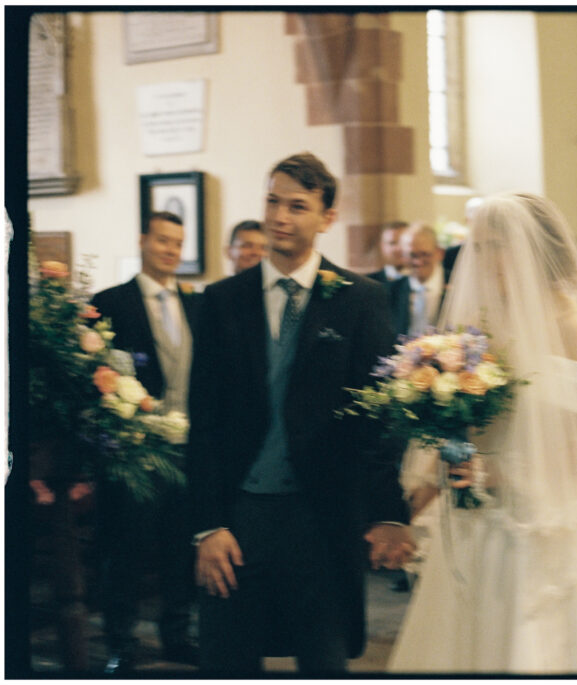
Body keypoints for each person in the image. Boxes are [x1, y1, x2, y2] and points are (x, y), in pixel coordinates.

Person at [388, 192, 577, 674]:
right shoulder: (477, 328)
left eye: (494, 247)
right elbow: (461, 422)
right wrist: (421, 489)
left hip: (547, 520)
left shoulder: (573, 325)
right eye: (477, 247)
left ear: (533, 250)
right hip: (478, 518)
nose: (481, 261)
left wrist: (500, 471)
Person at [187, 152, 413, 673]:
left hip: (322, 518)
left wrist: (388, 511)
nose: (279, 217)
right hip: (239, 516)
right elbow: (205, 424)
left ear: (326, 218)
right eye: (272, 202)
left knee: (323, 662)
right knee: (227, 663)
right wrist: (207, 525)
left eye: (297, 206)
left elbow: (378, 418)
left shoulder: (361, 300)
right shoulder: (221, 300)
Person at [90, 211, 202, 673]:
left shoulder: (195, 304)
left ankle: (176, 635)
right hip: (134, 449)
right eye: (162, 240)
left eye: (177, 243)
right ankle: (120, 642)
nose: (170, 250)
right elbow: (97, 374)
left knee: (181, 547)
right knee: (127, 550)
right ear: (143, 241)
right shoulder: (110, 302)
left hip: (188, 447)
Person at [388, 223, 450, 339]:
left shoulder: (455, 284)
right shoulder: (391, 291)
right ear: (403, 256)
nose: (418, 262)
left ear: (439, 253)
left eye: (425, 254)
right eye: (412, 255)